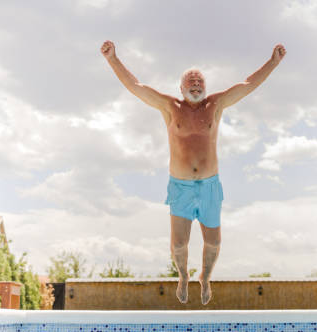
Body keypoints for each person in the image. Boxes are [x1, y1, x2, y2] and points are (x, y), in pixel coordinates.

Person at [101, 40, 286, 304]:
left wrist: (273, 62)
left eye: (199, 80)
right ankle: (183, 276)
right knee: (179, 245)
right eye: (191, 80)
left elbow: (247, 85)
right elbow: (136, 87)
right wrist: (113, 59)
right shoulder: (170, 107)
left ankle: (205, 278)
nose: (196, 83)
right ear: (182, 87)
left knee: (213, 243)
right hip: (181, 185)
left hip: (210, 185)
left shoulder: (216, 105)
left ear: (205, 87)